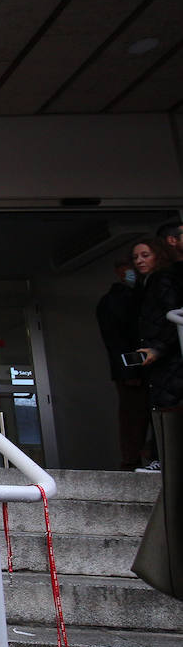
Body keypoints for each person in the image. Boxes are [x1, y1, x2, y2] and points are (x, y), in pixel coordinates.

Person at [130, 237, 183, 599]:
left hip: (168, 359)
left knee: (169, 404)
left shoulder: (166, 281)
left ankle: (163, 458)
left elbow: (165, 321)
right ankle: (160, 458)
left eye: (144, 255)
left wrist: (159, 347)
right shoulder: (149, 286)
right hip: (160, 360)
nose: (138, 262)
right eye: (135, 257)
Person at [96, 261, 153, 471]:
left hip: (147, 367)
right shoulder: (116, 301)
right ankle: (132, 459)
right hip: (134, 369)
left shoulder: (142, 294)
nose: (137, 266)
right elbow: (119, 341)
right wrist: (130, 370)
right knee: (134, 415)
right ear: (119, 271)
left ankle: (145, 455)